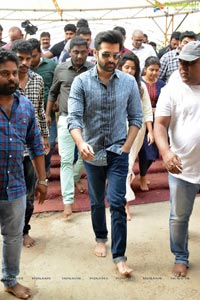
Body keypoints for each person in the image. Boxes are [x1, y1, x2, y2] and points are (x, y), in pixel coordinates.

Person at [67, 30, 143, 275]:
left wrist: (126, 147)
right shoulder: (81, 82)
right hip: (92, 152)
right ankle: (101, 237)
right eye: (106, 54)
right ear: (95, 53)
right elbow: (74, 119)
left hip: (119, 150)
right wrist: (80, 143)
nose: (112, 59)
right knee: (98, 200)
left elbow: (136, 118)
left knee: (118, 202)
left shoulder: (129, 82)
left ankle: (119, 256)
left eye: (116, 55)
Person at [0, 48, 47, 299]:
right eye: (4, 73)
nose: (12, 78)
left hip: (15, 185)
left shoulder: (25, 106)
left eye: (14, 73)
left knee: (13, 236)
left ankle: (10, 279)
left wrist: (43, 179)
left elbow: (36, 144)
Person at [154, 41, 200, 277]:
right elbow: (160, 125)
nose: (183, 68)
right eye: (181, 62)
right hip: (183, 168)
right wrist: (166, 152)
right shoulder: (172, 88)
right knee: (179, 217)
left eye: (190, 63)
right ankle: (181, 257)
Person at [46, 36, 93, 218]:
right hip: (66, 119)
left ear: (88, 51)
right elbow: (53, 92)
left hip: (88, 120)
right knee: (65, 160)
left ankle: (74, 178)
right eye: (76, 52)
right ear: (70, 52)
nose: (79, 55)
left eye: (83, 52)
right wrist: (48, 115)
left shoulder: (93, 70)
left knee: (86, 156)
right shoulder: (61, 69)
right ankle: (67, 201)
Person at [11, 39, 50, 248]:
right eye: (20, 59)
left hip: (30, 148)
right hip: (7, 148)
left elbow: (40, 111)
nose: (24, 63)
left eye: (28, 58)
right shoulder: (5, 81)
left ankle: (24, 230)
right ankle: (11, 231)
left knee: (28, 194)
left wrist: (44, 137)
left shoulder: (38, 80)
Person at [118, 52, 153, 221]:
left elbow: (146, 109)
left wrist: (151, 131)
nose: (130, 71)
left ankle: (123, 200)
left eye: (133, 68)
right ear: (120, 67)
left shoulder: (141, 86)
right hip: (117, 130)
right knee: (124, 164)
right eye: (127, 67)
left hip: (137, 130)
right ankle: (124, 202)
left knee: (128, 163)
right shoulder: (113, 83)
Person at [28, 38, 57, 178]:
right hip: (29, 112)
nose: (30, 60)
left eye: (33, 56)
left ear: (40, 53)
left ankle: (45, 165)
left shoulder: (51, 65)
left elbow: (57, 85)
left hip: (48, 110)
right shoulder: (23, 67)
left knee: (50, 141)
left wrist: (55, 101)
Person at [138, 56, 165, 191]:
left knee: (152, 154)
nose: (154, 73)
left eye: (156, 70)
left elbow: (165, 103)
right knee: (144, 151)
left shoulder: (161, 84)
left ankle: (143, 174)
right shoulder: (138, 82)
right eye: (151, 70)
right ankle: (140, 177)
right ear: (145, 68)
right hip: (140, 122)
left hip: (157, 122)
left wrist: (156, 109)